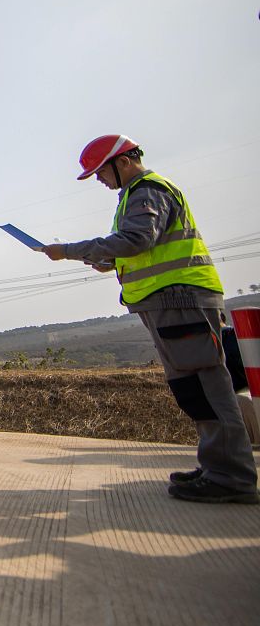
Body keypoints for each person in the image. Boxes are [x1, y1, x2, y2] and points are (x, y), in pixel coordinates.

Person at [42, 135, 257, 504]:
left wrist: (69, 251)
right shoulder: (133, 196)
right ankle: (217, 467)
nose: (99, 180)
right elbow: (139, 247)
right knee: (193, 390)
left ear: (122, 162)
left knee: (208, 387)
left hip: (181, 299)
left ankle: (231, 475)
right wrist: (109, 261)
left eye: (99, 172)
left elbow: (136, 239)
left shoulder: (146, 190)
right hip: (170, 302)